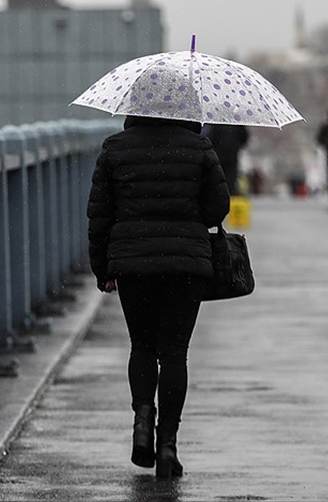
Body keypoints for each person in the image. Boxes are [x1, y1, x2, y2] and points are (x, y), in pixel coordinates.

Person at [87, 115, 230, 478]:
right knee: (174, 353)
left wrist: (102, 269)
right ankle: (167, 447)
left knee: (142, 346)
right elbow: (218, 207)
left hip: (133, 263)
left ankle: (141, 423)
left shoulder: (115, 149)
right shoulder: (199, 147)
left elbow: (100, 214)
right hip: (186, 263)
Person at [203, 124, 250, 195]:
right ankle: (230, 197)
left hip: (218, 157)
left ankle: (219, 196)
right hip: (232, 157)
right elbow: (244, 138)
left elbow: (210, 138)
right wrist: (236, 146)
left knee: (218, 180)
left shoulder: (216, 124)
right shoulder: (237, 124)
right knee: (230, 181)